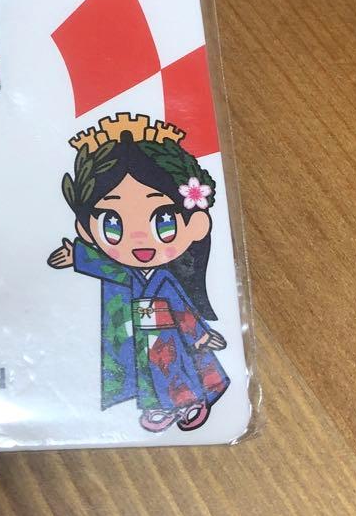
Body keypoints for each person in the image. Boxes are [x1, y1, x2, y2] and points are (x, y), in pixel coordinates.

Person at [48, 114, 229, 432]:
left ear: (196, 225)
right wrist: (77, 255)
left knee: (175, 368)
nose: (138, 238)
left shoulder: (165, 279)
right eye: (112, 223)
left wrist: (201, 335)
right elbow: (109, 268)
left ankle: (189, 402)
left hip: (169, 333)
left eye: (164, 221)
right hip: (138, 332)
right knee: (147, 371)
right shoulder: (126, 274)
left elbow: (183, 310)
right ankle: (160, 405)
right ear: (86, 229)